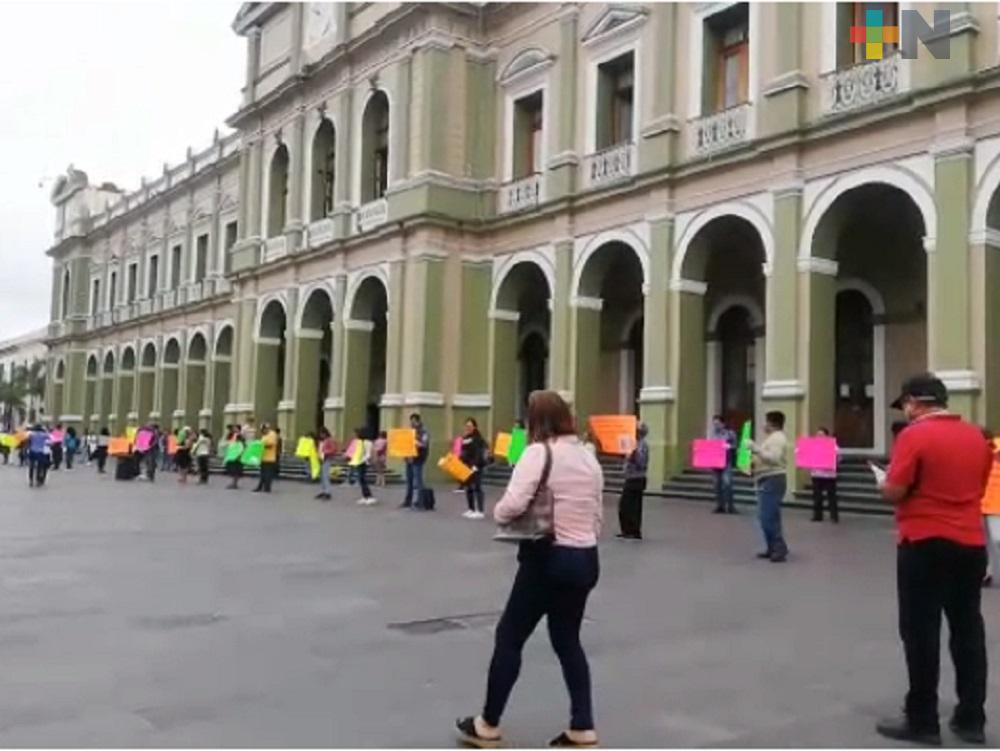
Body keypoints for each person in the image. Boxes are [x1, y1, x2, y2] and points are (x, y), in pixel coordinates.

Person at [456, 391, 602, 749]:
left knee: (510, 636)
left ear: (537, 420)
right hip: (586, 557)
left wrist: (500, 514)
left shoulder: (539, 453)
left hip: (547, 556)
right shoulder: (588, 456)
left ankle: (488, 723)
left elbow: (513, 503)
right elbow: (597, 512)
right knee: (568, 640)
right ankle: (582, 725)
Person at [874, 374, 991, 746]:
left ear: (914, 402)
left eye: (906, 405)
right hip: (970, 544)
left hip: (924, 542)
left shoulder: (914, 436)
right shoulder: (977, 437)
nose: (906, 412)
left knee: (921, 633)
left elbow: (894, 491)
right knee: (968, 630)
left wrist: (883, 482)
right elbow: (977, 484)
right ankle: (971, 718)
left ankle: (923, 719)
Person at [748, 411, 789, 563]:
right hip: (768, 478)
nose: (763, 425)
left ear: (772, 423)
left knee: (766, 516)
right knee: (772, 515)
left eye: (766, 422)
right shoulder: (772, 438)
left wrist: (755, 448)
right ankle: (772, 547)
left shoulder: (777, 438)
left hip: (773, 478)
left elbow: (774, 458)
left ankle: (779, 548)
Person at [617, 422, 649, 540]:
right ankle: (627, 529)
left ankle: (634, 530)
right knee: (625, 505)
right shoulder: (633, 443)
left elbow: (642, 463)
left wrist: (634, 455)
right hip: (630, 477)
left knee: (633, 505)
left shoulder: (643, 445)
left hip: (637, 478)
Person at [979, 428, 1000, 588]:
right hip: (980, 502)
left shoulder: (995, 448)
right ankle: (987, 573)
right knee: (983, 541)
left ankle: (989, 572)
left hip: (995, 503)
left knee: (997, 540)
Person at [460, 417, 489, 519]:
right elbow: (463, 453)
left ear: (474, 427)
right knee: (468, 487)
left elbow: (479, 453)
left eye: (470, 426)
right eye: (467, 426)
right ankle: (471, 509)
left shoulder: (478, 439)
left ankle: (480, 511)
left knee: (477, 487)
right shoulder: (464, 438)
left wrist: (476, 465)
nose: (468, 428)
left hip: (476, 466)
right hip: (466, 466)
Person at [810, 427, 839, 523]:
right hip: (816, 474)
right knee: (817, 496)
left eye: (821, 435)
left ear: (826, 436)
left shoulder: (832, 445)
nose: (819, 437)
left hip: (829, 475)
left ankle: (834, 516)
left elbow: (838, 458)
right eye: (818, 435)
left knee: (831, 496)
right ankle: (817, 515)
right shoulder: (812, 446)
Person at [401, 413, 430, 509]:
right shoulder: (410, 431)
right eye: (411, 422)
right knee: (409, 480)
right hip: (409, 458)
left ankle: (420, 502)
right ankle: (407, 501)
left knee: (418, 481)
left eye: (414, 422)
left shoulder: (424, 431)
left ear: (418, 421)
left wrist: (417, 442)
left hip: (418, 458)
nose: (412, 424)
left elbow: (424, 444)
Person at [709, 415, 737, 514]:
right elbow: (709, 447)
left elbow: (734, 446)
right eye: (714, 424)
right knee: (717, 485)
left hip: (726, 462)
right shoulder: (712, 434)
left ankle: (730, 506)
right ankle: (719, 505)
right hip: (715, 463)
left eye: (717, 423)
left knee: (727, 483)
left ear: (723, 424)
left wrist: (727, 446)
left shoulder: (730, 433)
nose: (716, 426)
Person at [348, 427, 376, 506]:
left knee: (363, 479)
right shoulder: (359, 442)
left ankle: (369, 496)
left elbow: (368, 454)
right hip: (358, 462)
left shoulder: (367, 442)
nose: (355, 435)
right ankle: (365, 496)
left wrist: (361, 460)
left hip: (363, 462)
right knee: (361, 480)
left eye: (357, 433)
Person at [254, 423, 278, 493]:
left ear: (266, 428)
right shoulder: (264, 436)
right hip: (263, 457)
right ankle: (260, 487)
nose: (262, 431)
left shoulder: (272, 434)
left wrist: (261, 446)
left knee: (268, 474)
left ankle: (267, 487)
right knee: (262, 474)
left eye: (263, 430)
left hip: (270, 458)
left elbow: (271, 445)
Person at [315, 427, 337, 500]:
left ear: (325, 433)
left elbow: (333, 449)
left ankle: (328, 492)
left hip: (327, 459)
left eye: (322, 434)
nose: (321, 436)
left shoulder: (330, 440)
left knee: (325, 476)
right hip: (321, 459)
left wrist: (325, 452)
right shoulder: (322, 441)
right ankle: (323, 491)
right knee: (322, 476)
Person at [26, 424, 51, 488]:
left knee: (31, 466)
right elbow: (50, 438)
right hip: (40, 452)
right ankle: (37, 480)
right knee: (40, 467)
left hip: (32, 451)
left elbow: (28, 440)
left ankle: (31, 480)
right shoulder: (44, 435)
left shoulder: (31, 434)